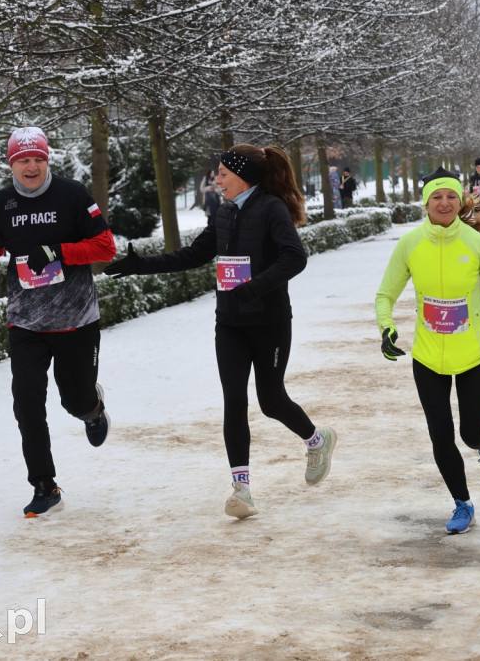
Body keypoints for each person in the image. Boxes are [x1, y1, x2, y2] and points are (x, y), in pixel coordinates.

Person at [104, 144, 336, 519]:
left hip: (269, 321)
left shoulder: (271, 208)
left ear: (243, 176)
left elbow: (295, 257)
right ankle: (242, 490)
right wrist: (140, 264)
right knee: (234, 401)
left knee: (271, 400)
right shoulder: (225, 213)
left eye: (223, 173)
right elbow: (194, 255)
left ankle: (317, 440)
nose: (217, 179)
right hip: (229, 322)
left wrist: (254, 287)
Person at [375, 167, 480, 535]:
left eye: (451, 195)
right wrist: (386, 327)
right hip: (428, 357)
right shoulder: (410, 244)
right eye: (436, 197)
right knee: (441, 436)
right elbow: (385, 294)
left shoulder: (474, 242)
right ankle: (462, 503)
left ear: (460, 200)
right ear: (426, 203)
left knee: (470, 433)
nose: (444, 202)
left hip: (475, 356)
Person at [0, 127, 117, 518]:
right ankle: (44, 485)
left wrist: (57, 251)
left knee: (74, 399)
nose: (31, 166)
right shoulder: (3, 204)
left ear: (46, 160)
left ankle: (93, 409)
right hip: (26, 322)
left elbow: (105, 246)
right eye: (23, 160)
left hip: (76, 320)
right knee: (27, 403)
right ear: (12, 164)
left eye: (37, 159)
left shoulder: (72, 194)